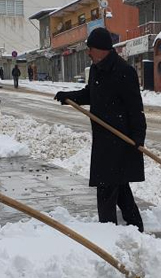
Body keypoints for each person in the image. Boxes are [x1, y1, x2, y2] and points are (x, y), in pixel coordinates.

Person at [54, 28, 146, 232]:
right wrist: (70, 97)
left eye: (91, 49)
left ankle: (108, 234)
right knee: (120, 189)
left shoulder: (124, 72)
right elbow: (91, 94)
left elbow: (135, 108)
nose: (88, 53)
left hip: (121, 142)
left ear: (103, 49)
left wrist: (139, 138)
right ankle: (136, 230)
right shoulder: (96, 69)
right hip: (104, 140)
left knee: (106, 188)